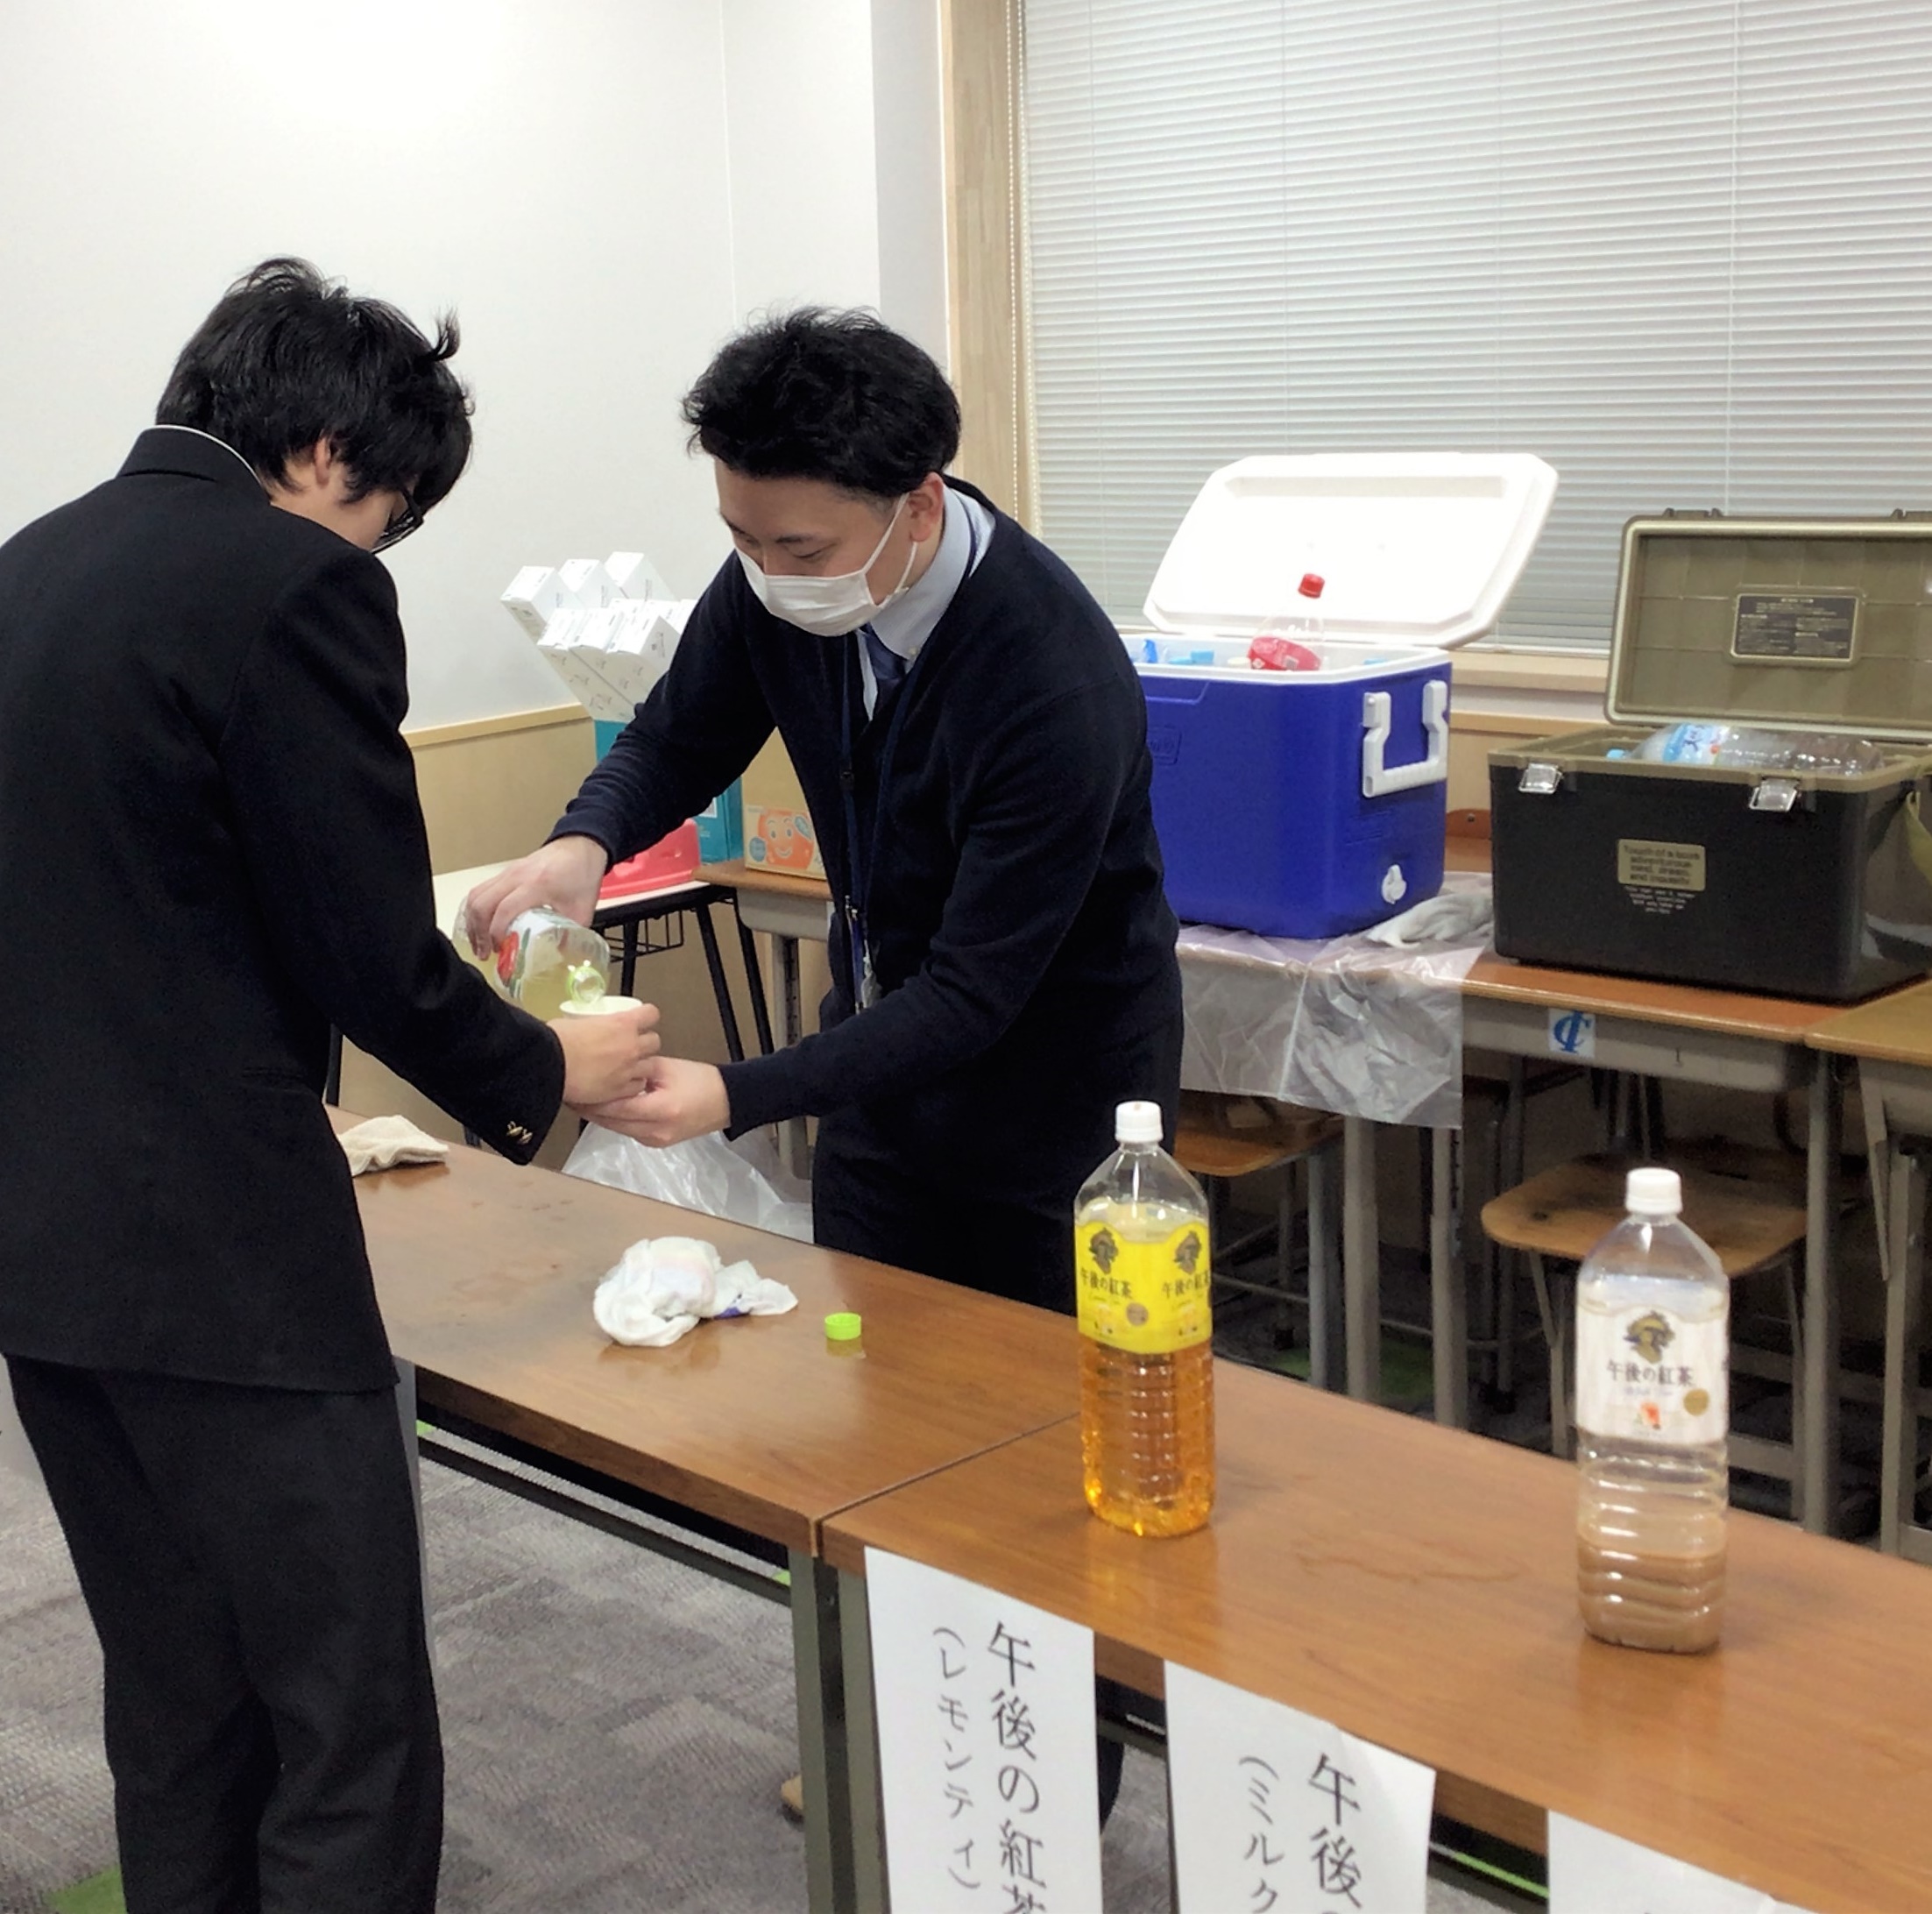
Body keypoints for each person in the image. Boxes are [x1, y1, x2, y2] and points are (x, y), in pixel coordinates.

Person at [0, 259, 659, 1911]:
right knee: (340, 1710)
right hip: (220, 1257)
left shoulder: (30, 563)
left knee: (176, 1693)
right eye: (393, 515)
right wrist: (544, 1067)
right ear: (321, 450)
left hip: (39, 1236)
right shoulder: (293, 584)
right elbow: (365, 945)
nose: (380, 550)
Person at [467, 308, 1184, 1316]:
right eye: (741, 538)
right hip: (880, 1072)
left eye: (800, 549)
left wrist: (733, 1094)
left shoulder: (1051, 680)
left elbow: (972, 994)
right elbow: (678, 737)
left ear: (919, 507)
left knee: (1033, 1394)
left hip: (1053, 1109)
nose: (769, 575)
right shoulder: (783, 578)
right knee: (866, 1359)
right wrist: (584, 844)